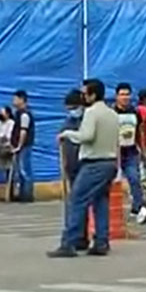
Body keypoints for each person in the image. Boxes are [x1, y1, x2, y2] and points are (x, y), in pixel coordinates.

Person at [48, 79, 119, 258]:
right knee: (100, 201)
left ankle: (69, 242)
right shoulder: (112, 113)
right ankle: (101, 241)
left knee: (77, 200)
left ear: (92, 95)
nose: (82, 97)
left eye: (84, 93)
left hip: (94, 162)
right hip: (110, 161)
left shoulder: (92, 113)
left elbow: (86, 136)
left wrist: (67, 134)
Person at [114, 82, 146, 224]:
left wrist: (143, 151)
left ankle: (138, 209)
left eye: (127, 94)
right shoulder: (112, 113)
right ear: (116, 96)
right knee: (111, 184)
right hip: (114, 153)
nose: (125, 97)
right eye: (122, 94)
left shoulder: (134, 112)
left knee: (135, 179)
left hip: (130, 151)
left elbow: (139, 132)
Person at [59, 89, 88, 249]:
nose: (72, 111)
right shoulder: (67, 122)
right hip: (71, 167)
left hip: (85, 165)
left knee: (78, 203)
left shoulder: (87, 120)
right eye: (69, 108)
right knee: (74, 202)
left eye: (73, 107)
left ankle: (77, 237)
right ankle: (77, 236)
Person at [11, 90, 35, 202]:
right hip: (19, 146)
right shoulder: (18, 113)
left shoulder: (24, 114)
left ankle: (27, 195)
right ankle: (21, 194)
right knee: (20, 172)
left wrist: (19, 145)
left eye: (15, 99)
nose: (13, 101)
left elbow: (23, 131)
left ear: (22, 100)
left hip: (24, 146)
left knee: (25, 171)